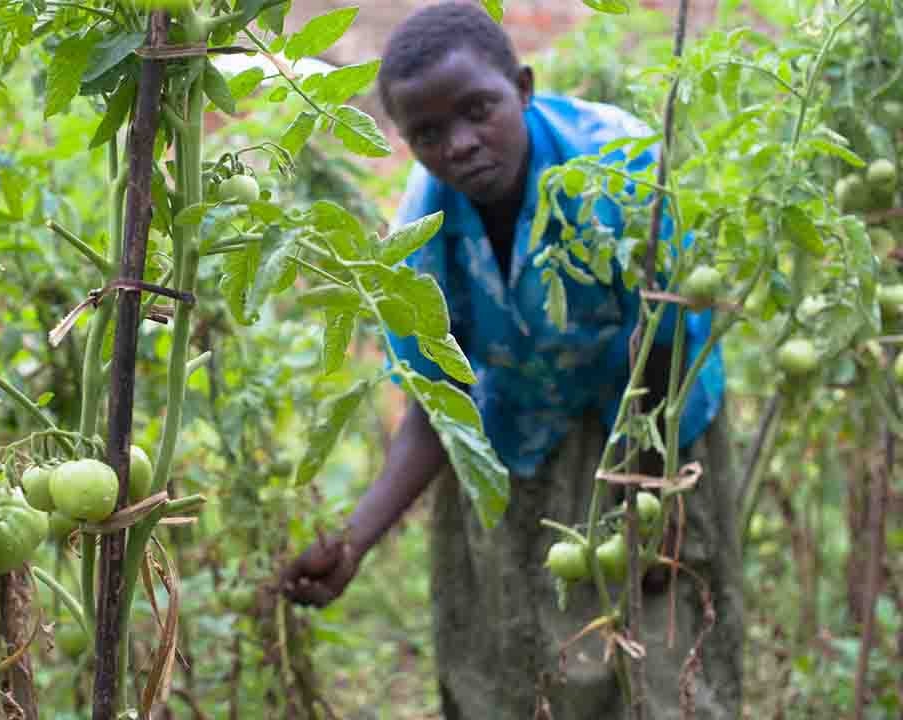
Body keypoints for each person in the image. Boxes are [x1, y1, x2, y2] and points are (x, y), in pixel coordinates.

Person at [279, 3, 745, 719]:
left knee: (663, 660)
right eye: (428, 134)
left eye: (478, 111)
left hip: (656, 430)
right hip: (516, 437)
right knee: (517, 665)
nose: (459, 145)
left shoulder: (619, 169)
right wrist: (352, 543)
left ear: (523, 89)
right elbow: (437, 406)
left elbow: (670, 343)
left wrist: (649, 501)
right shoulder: (421, 238)